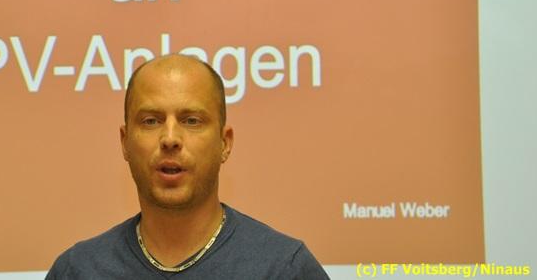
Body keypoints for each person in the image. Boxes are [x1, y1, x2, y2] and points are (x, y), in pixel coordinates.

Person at [46, 54, 329, 279]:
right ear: (125, 142)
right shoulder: (77, 271)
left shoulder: (284, 269)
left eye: (191, 120)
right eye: (151, 121)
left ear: (224, 143)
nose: (170, 138)